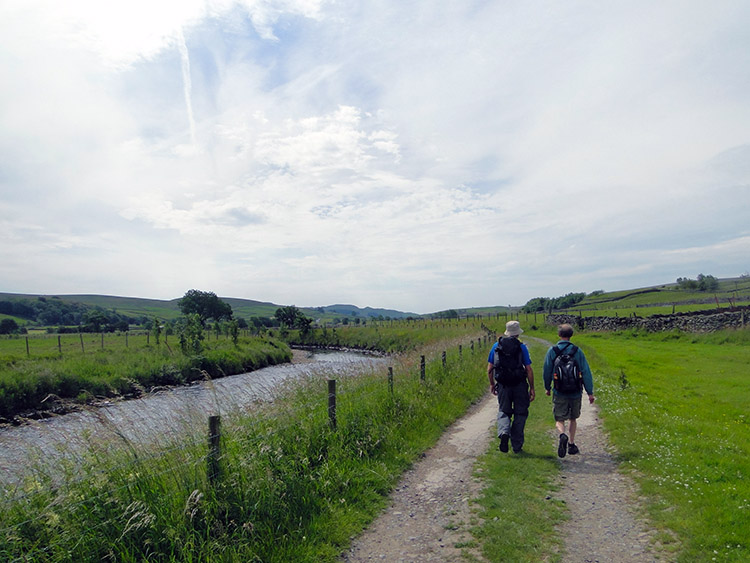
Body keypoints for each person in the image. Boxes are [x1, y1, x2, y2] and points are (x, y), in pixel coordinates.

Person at [543, 323, 595, 458]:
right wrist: (589, 392)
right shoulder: (577, 351)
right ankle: (571, 444)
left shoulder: (552, 351)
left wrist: (547, 387)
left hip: (559, 391)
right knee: (573, 418)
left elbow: (547, 370)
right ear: (571, 335)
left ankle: (562, 435)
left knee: (559, 419)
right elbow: (586, 372)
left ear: (559, 335)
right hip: (575, 391)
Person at [487, 320, 535, 454]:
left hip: (503, 385)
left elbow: (490, 368)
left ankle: (503, 433)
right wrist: (532, 388)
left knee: (504, 411)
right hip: (519, 384)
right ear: (517, 333)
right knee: (520, 413)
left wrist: (492, 384)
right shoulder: (522, 347)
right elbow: (529, 369)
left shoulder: (496, 346)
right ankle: (517, 445)